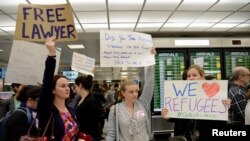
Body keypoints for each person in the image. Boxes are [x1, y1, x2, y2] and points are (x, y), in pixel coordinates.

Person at [161, 65, 231, 141]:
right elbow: (178, 117)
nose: (191, 78)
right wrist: (168, 116)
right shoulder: (181, 95)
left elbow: (220, 123)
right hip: (184, 137)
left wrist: (224, 108)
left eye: (194, 75)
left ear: (202, 77)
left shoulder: (215, 96)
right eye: (188, 76)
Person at [106, 48, 156, 141]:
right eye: (131, 92)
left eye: (137, 91)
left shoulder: (142, 104)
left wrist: (151, 60)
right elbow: (111, 134)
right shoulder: (115, 110)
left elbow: (149, 84)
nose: (135, 94)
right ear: (123, 93)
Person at [37, 37, 79, 140]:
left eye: (68, 85)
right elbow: (47, 81)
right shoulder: (47, 109)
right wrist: (52, 54)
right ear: (53, 90)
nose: (67, 88)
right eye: (62, 86)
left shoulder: (70, 110)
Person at [74, 75, 103, 141]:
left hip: (89, 136)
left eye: (76, 86)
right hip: (82, 136)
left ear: (80, 85)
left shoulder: (91, 101)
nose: (75, 89)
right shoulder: (81, 99)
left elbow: (95, 122)